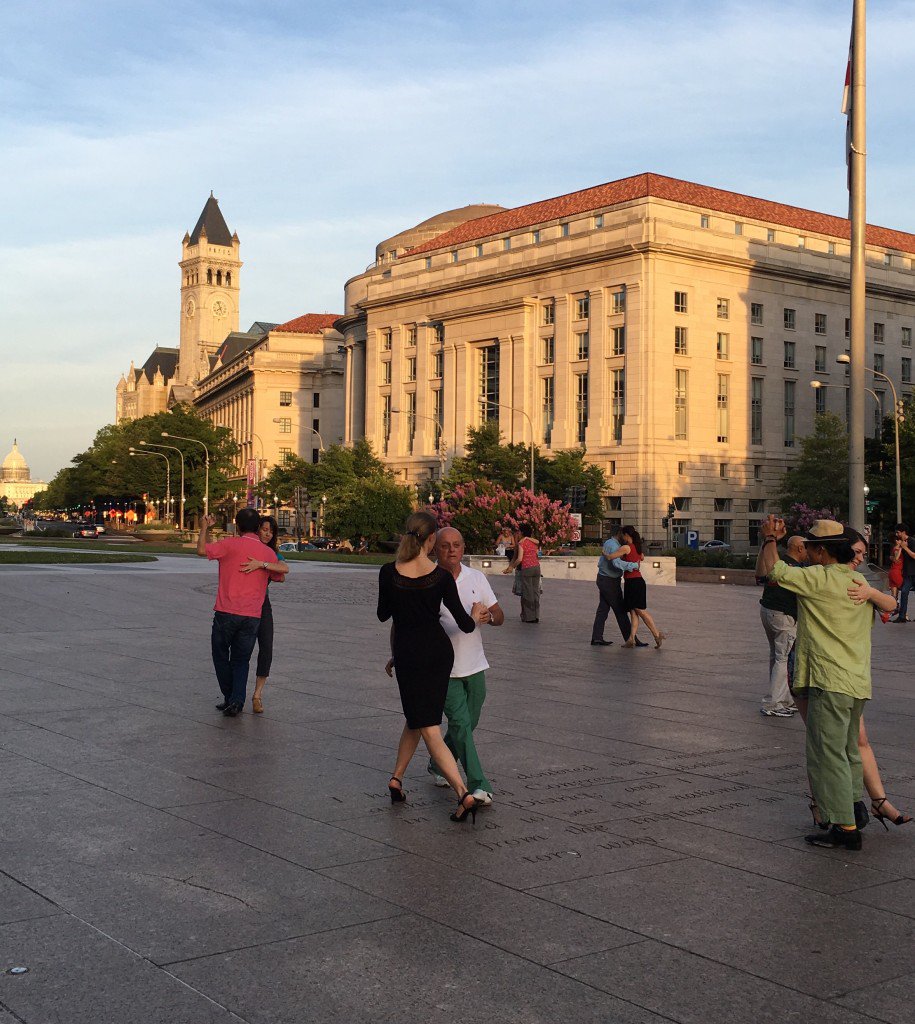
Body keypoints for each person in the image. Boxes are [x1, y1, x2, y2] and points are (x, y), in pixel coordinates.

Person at [758, 516, 893, 850]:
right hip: (856, 682)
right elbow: (891, 604)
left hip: (828, 680)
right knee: (847, 752)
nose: (808, 551)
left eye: (811, 547)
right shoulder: (859, 583)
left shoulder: (817, 578)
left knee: (826, 754)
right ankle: (854, 811)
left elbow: (772, 572)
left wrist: (770, 539)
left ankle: (844, 828)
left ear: (821, 551)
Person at [377, 511, 490, 823]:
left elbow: (383, 615)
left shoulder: (389, 572)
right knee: (418, 719)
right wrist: (478, 615)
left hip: (409, 655)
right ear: (430, 541)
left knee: (427, 725)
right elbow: (465, 625)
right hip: (438, 655)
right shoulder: (440, 577)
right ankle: (396, 779)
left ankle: (462, 793)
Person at [797, 535, 910, 830]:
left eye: (860, 553)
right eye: (854, 552)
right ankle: (833, 808)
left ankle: (865, 805)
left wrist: (871, 592)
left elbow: (889, 604)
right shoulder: (813, 576)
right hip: (814, 669)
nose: (857, 558)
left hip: (840, 676)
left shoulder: (855, 581)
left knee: (843, 743)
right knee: (826, 743)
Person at [423, 527, 504, 806]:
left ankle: (438, 762)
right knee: (460, 724)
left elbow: (499, 615)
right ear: (435, 548)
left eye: (457, 544)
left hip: (475, 663)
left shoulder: (476, 577)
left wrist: (487, 617)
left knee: (470, 722)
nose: (452, 550)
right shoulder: (427, 580)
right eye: (445, 545)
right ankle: (479, 785)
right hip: (443, 668)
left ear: (463, 546)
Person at [197, 508, 283, 717]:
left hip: (226, 611)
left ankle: (231, 697)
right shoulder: (267, 552)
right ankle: (235, 700)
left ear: (237, 526)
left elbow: (202, 550)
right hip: (252, 615)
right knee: (241, 659)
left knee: (220, 654)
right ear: (257, 528)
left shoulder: (229, 545)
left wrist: (204, 528)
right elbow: (280, 574)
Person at [754, 533, 806, 717]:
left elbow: (760, 576)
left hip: (768, 611)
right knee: (783, 658)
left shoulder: (779, 561)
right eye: (806, 547)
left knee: (776, 657)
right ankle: (773, 703)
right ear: (800, 548)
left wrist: (766, 543)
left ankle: (783, 699)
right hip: (784, 616)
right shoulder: (794, 568)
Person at [250, 515, 290, 714]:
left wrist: (263, 564)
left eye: (271, 531)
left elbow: (283, 570)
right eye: (264, 529)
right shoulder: (248, 546)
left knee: (266, 647)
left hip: (263, 603)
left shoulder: (271, 552)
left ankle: (257, 694)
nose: (267, 533)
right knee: (243, 649)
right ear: (257, 529)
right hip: (244, 603)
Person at [590, 528, 645, 647]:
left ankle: (597, 638)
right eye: (624, 535)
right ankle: (631, 639)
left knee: (603, 609)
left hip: (607, 579)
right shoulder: (612, 545)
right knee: (620, 610)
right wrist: (634, 565)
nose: (625, 538)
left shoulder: (615, 544)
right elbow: (616, 563)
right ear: (619, 534)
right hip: (608, 581)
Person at [620, 526, 666, 649]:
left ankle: (657, 634)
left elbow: (614, 556)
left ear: (626, 535)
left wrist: (607, 555)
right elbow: (641, 557)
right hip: (635, 581)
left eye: (623, 535)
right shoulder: (638, 548)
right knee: (633, 612)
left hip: (634, 582)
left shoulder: (627, 548)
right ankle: (631, 639)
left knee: (640, 610)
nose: (622, 538)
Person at [509, 523, 541, 623]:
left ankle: (529, 617)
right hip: (537, 567)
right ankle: (536, 615)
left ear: (522, 532)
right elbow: (538, 547)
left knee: (527, 593)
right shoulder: (533, 542)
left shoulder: (521, 543)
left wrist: (512, 567)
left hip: (527, 568)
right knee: (535, 592)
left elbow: (519, 559)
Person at [890, 523, 914, 622]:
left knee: (904, 592)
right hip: (907, 574)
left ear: (903, 532)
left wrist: (905, 548)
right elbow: (895, 557)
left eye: (898, 532)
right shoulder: (900, 542)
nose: (897, 534)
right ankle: (902, 616)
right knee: (904, 593)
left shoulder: (912, 541)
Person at [887, 535, 903, 601]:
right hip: (897, 572)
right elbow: (896, 558)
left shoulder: (894, 548)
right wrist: (901, 548)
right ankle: (896, 605)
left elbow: (891, 557)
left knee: (894, 594)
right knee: (902, 588)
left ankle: (894, 606)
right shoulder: (897, 548)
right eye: (899, 540)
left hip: (892, 571)